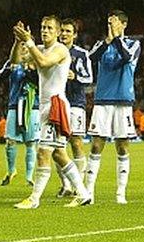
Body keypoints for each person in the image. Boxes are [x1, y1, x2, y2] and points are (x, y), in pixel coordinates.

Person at [12, 17, 91, 208]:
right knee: (58, 154)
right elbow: (16, 61)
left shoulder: (60, 50)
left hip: (56, 104)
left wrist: (29, 42)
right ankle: (82, 193)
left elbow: (44, 62)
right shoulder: (40, 47)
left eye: (49, 28)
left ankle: (34, 199)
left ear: (56, 32)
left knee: (43, 152)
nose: (44, 31)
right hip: (45, 105)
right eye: (42, 27)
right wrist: (18, 42)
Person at [85, 10, 141, 205]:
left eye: (114, 22)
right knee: (96, 144)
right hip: (102, 100)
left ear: (124, 24)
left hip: (123, 100)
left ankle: (120, 193)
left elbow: (126, 57)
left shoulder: (134, 44)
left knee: (122, 145)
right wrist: (109, 41)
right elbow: (91, 58)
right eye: (108, 23)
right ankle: (89, 191)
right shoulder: (102, 44)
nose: (110, 26)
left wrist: (117, 39)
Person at [55, 18, 92, 197]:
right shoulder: (52, 52)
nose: (64, 34)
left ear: (75, 35)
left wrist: (74, 76)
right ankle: (66, 185)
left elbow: (89, 78)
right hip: (57, 102)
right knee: (57, 145)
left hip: (76, 103)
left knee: (76, 142)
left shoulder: (81, 54)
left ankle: (78, 184)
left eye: (68, 31)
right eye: (62, 30)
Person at [0, 37, 39, 187]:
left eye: (26, 44)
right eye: (21, 45)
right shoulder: (13, 65)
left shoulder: (38, 64)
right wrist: (16, 42)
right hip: (15, 106)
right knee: (10, 141)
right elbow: (1, 75)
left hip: (33, 107)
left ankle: (29, 176)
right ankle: (11, 170)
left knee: (30, 143)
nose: (24, 48)